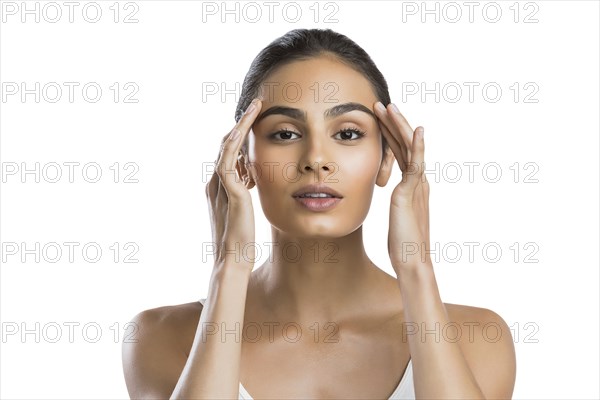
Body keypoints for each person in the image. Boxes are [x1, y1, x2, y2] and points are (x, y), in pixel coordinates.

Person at [121, 28, 517, 399]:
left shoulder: (478, 337)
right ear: (242, 161)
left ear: (387, 159)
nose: (316, 160)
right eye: (285, 133)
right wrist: (229, 268)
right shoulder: (161, 337)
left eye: (347, 134)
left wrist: (417, 270)